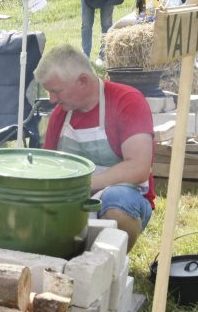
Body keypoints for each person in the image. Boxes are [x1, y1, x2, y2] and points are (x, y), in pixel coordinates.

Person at [35, 44, 155, 250]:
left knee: (117, 202)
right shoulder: (60, 115)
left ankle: (110, 265)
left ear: (82, 81)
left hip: (124, 196)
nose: (52, 99)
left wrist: (84, 184)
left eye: (56, 91)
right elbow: (49, 167)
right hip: (73, 200)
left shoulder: (126, 101)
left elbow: (138, 167)